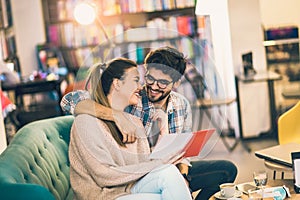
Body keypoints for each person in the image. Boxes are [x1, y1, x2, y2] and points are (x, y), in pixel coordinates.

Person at [62, 46, 238, 200]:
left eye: (162, 82)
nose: (153, 86)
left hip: (163, 167)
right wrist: (116, 115)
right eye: (149, 78)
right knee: (169, 180)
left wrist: (183, 175)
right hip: (138, 173)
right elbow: (69, 101)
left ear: (176, 82)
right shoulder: (132, 98)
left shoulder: (181, 105)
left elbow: (182, 153)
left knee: (226, 170)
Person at [69, 57, 192, 200]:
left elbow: (144, 166)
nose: (141, 87)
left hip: (129, 187)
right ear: (117, 83)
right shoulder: (86, 122)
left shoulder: (133, 122)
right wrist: (160, 162)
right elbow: (104, 176)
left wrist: (163, 131)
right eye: (135, 80)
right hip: (103, 196)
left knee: (169, 173)